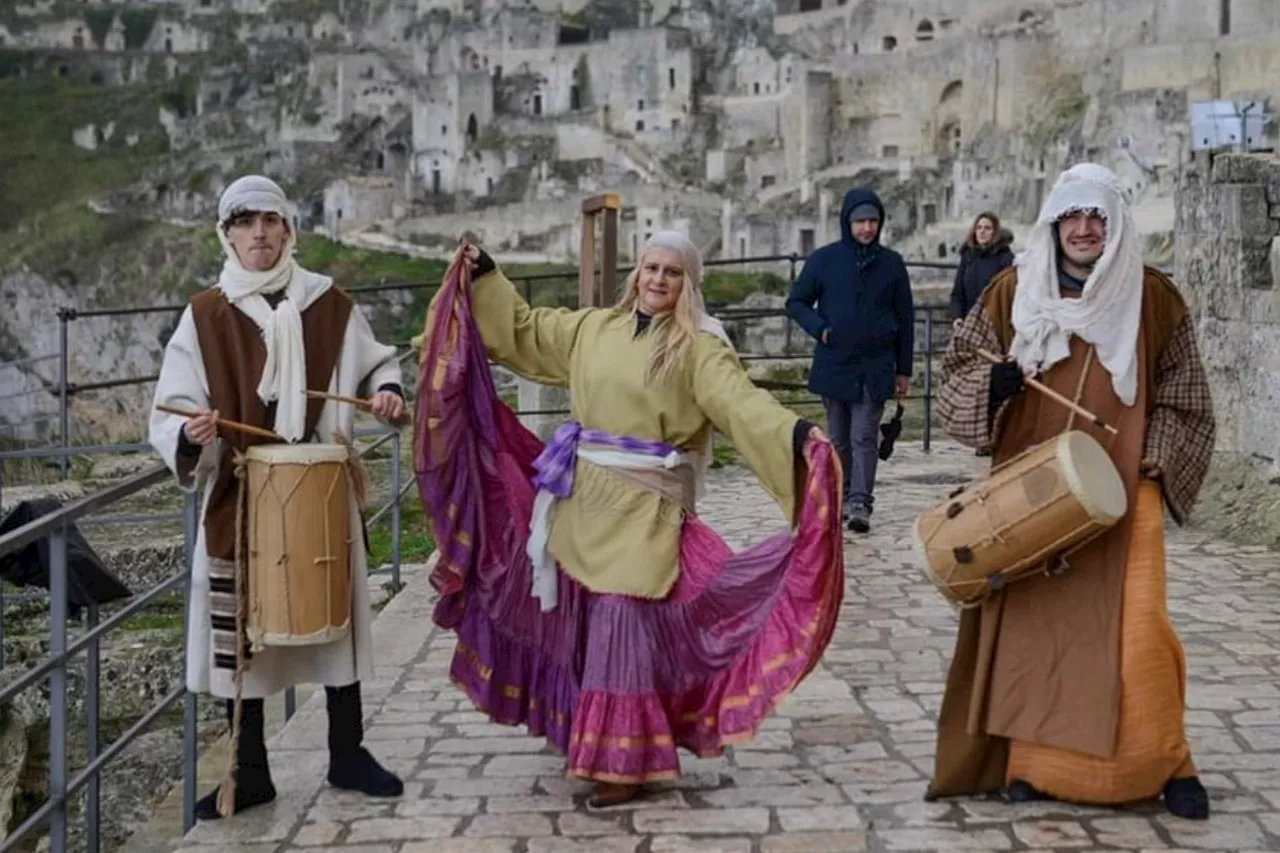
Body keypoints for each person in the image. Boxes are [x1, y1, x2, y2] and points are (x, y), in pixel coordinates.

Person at [413, 231, 846, 809]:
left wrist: (795, 437)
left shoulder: (697, 349)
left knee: (622, 622)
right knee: (586, 620)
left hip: (646, 511)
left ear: (687, 284)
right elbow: (523, 330)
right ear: (636, 272)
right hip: (580, 499)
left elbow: (740, 404)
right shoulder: (593, 328)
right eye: (651, 267)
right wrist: (487, 273)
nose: (658, 279)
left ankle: (626, 760)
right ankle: (590, 738)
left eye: (672, 272)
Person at [926, 163, 1216, 820]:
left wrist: (1154, 458)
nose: (1085, 229)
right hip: (1029, 490)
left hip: (1123, 488)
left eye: (1098, 217)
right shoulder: (1010, 292)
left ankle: (1167, 759)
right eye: (1073, 217)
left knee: (1139, 630)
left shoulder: (1152, 297)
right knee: (1037, 633)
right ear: (1054, 223)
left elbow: (1185, 394)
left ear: (1114, 227)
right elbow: (960, 372)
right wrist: (994, 387)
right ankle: (1034, 766)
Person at [148, 175, 407, 820]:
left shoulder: (329, 303)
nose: (259, 233)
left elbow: (378, 364)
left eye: (270, 222)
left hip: (317, 485)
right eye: (245, 222)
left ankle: (348, 753)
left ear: (289, 230)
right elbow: (173, 404)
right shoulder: (205, 314)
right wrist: (189, 431)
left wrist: (388, 392)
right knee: (241, 633)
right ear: (227, 234)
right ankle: (251, 771)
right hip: (241, 489)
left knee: (336, 619)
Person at [786, 187, 914, 533]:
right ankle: (840, 497)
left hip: (876, 364)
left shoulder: (892, 264)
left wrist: (904, 369)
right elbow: (796, 302)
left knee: (864, 436)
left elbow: (905, 318)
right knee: (839, 438)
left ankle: (860, 502)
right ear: (847, 222)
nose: (867, 228)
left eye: (872, 220)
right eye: (860, 221)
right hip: (835, 361)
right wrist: (821, 330)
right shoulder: (824, 260)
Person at [949, 211, 1015, 326]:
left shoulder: (1005, 258)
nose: (982, 231)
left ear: (995, 232)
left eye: (987, 228)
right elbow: (957, 293)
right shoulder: (968, 256)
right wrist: (957, 317)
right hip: (968, 322)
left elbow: (1009, 295)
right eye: (979, 228)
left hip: (993, 323)